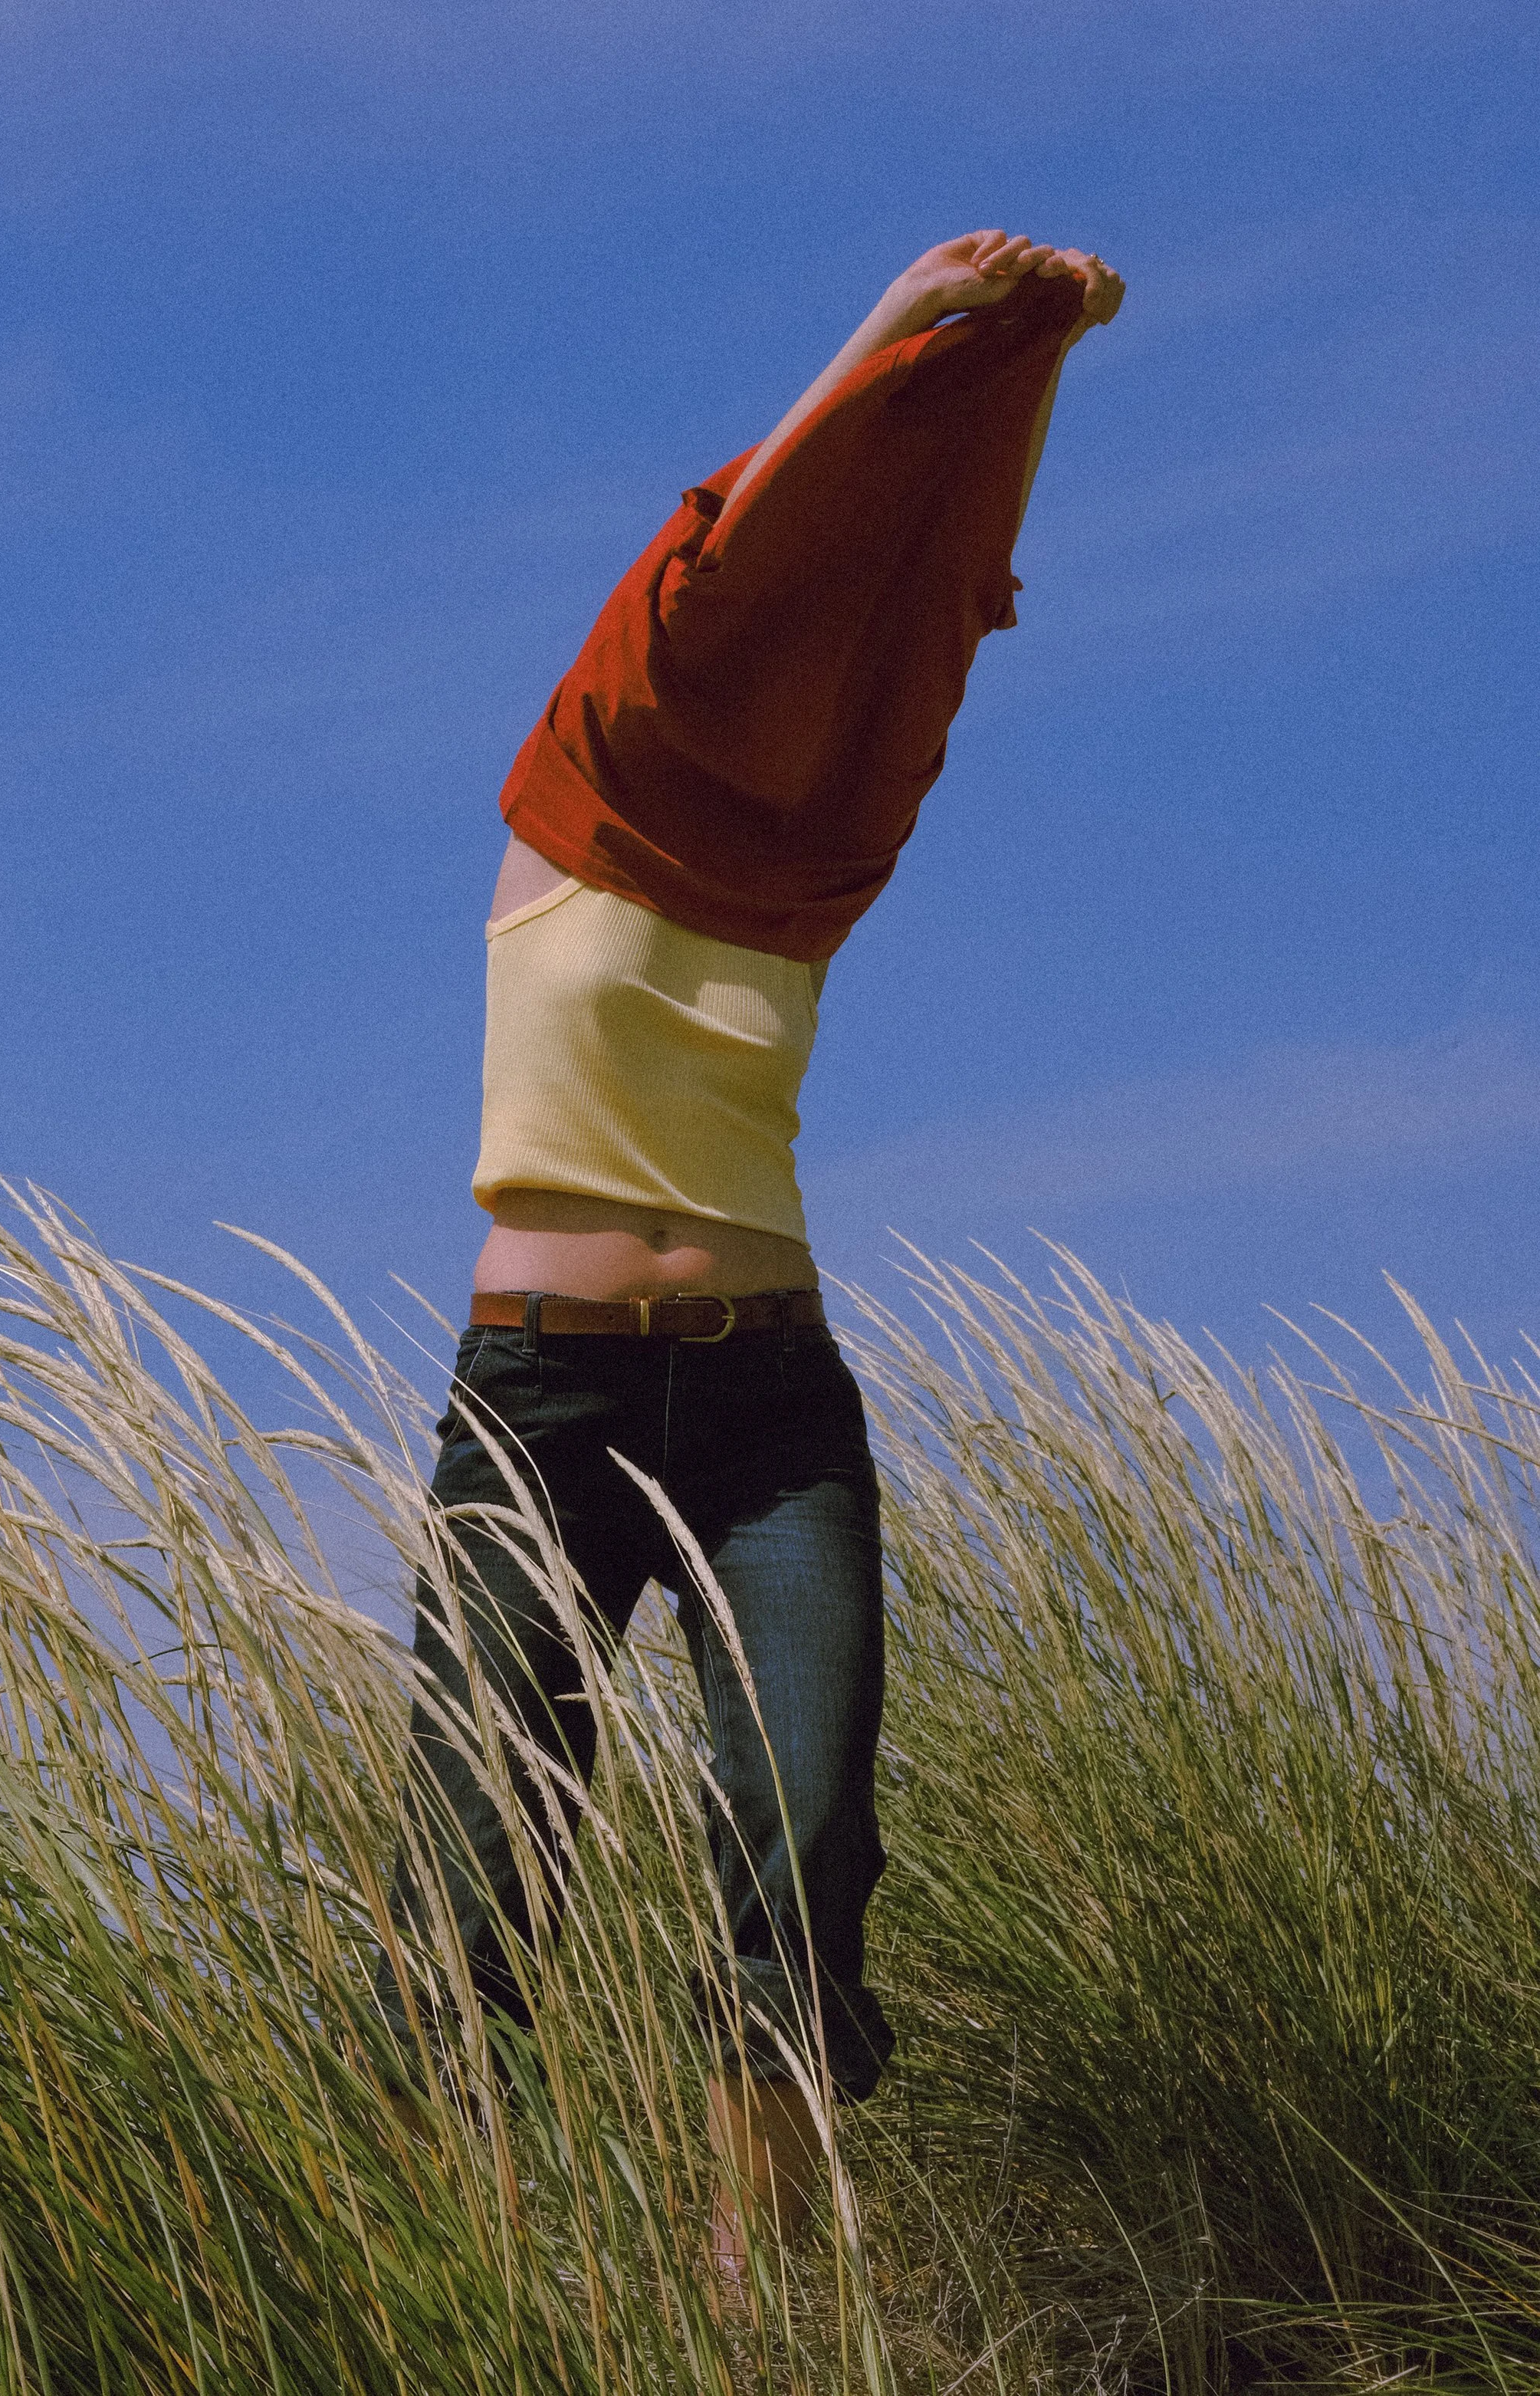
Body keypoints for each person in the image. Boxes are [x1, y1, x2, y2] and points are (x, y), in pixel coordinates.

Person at [380, 228, 1125, 2273]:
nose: (798, 665)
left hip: (772, 1403)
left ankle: (751, 2309)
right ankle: (483, 2301)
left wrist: (1026, 365)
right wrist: (900, 324)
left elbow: (937, 598)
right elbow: (741, 547)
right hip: (540, 1399)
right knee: (473, 1867)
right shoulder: (572, 800)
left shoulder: (814, 861)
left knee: (797, 1853)